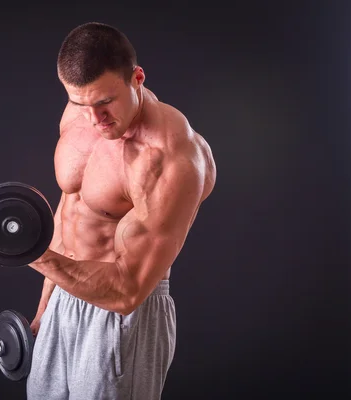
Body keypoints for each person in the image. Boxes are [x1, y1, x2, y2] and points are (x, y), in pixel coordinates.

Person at [25, 22, 217, 400]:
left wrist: (32, 254)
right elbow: (73, 202)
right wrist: (50, 292)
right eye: (81, 104)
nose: (95, 120)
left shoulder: (169, 155)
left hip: (122, 315)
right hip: (66, 294)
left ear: (137, 78)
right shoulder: (78, 112)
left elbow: (128, 289)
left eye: (104, 103)